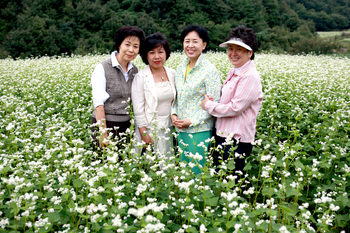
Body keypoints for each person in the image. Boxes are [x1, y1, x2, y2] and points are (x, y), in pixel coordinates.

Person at [201, 25, 263, 178]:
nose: (233, 53)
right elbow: (230, 101)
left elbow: (235, 108)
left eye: (239, 49)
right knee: (221, 181)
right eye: (230, 48)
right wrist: (216, 102)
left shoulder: (249, 76)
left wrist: (208, 105)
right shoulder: (235, 71)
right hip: (224, 135)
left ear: (250, 53)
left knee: (232, 185)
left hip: (237, 140)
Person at [171, 25, 221, 176]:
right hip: (181, 129)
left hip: (200, 130)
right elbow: (177, 97)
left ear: (204, 45)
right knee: (185, 172)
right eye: (187, 41)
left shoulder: (210, 70)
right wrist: (174, 114)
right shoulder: (180, 68)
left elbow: (214, 105)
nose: (190, 46)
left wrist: (191, 121)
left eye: (195, 41)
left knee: (197, 173)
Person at [91, 26, 145, 150]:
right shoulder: (102, 67)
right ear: (119, 44)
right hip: (105, 124)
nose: (131, 50)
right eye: (127, 44)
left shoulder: (134, 70)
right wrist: (103, 133)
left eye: (136, 46)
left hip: (125, 126)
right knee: (104, 165)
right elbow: (98, 103)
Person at [131, 33, 176, 159]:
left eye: (160, 51)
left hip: (168, 127)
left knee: (167, 164)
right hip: (150, 128)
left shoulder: (173, 73)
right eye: (152, 52)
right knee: (150, 165)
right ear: (145, 55)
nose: (157, 56)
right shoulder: (141, 77)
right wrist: (143, 133)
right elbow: (138, 108)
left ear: (166, 53)